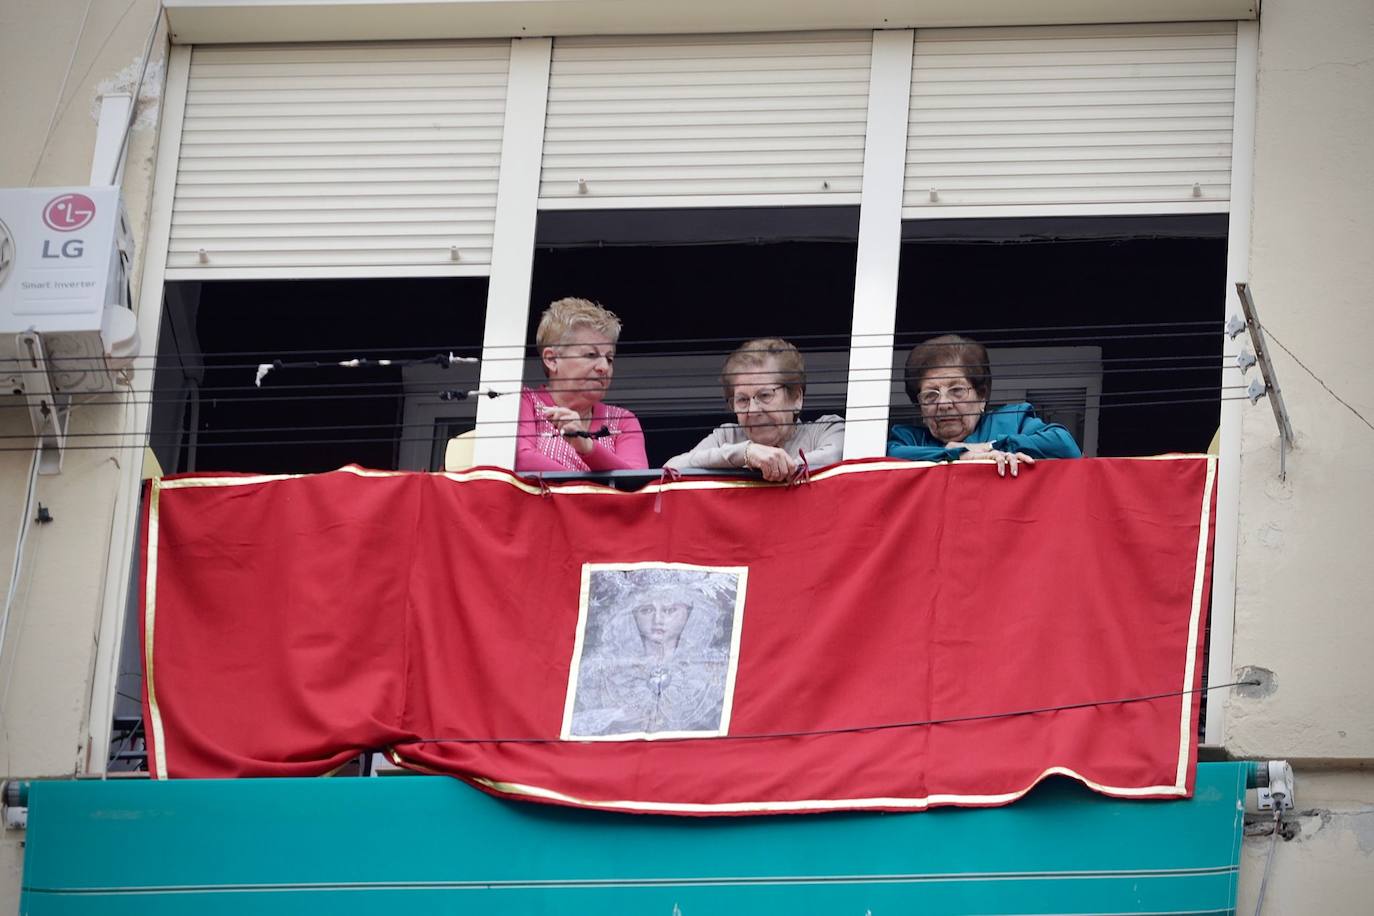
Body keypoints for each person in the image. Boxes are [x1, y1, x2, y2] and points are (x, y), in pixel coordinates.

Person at [887, 334, 1081, 476]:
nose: (943, 403)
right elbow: (890, 454)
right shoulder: (910, 439)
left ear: (981, 396)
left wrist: (988, 447)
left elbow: (1065, 445)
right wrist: (958, 454)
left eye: (956, 390)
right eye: (931, 395)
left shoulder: (1012, 420)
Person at [569, 572, 735, 737]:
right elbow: (571, 725)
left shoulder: (715, 669)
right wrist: (616, 716)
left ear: (689, 613)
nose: (658, 619)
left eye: (669, 610)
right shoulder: (600, 669)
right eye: (646, 610)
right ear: (632, 613)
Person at [665, 338, 844, 481]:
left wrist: (775, 466)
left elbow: (840, 457)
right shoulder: (727, 437)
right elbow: (671, 469)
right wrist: (746, 453)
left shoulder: (826, 429)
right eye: (742, 400)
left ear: (796, 398)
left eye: (765, 395)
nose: (752, 410)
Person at [516, 298, 648, 472]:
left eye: (609, 359)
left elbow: (637, 482)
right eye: (591, 355)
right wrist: (589, 487)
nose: (604, 367)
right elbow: (520, 461)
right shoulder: (524, 401)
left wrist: (587, 446)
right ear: (552, 359)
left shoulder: (622, 421)